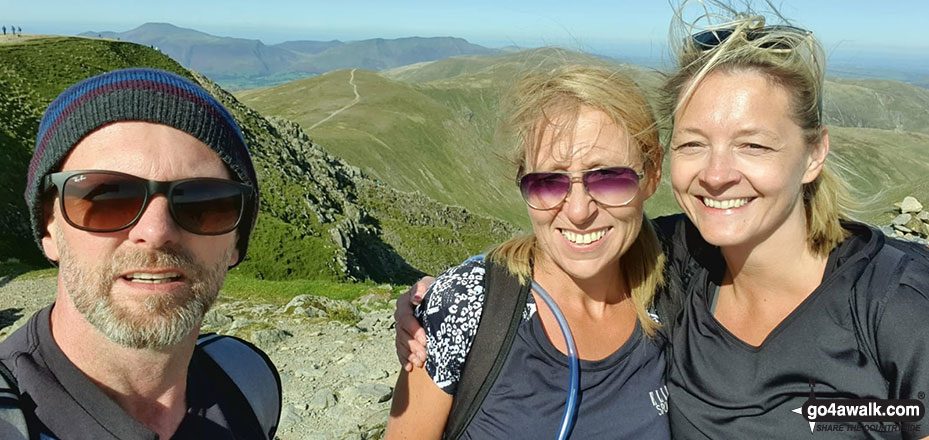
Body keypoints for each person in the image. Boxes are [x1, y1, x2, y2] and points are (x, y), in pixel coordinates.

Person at [395, 5, 929, 439]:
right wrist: (444, 295)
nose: (717, 175)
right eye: (695, 144)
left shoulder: (896, 305)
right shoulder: (678, 265)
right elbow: (576, 240)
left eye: (753, 144)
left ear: (814, 154)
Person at [386, 65, 670, 439]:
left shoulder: (678, 283)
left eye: (609, 177)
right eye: (549, 182)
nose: (579, 211)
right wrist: (437, 299)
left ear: (651, 175)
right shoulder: (466, 306)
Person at [0, 68, 281, 440]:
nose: (156, 232)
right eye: (107, 198)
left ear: (235, 243)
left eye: (203, 202)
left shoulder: (248, 381)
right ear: (49, 229)